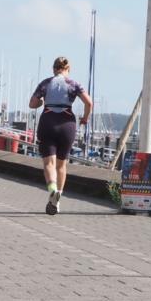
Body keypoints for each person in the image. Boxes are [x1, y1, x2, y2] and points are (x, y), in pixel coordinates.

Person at [29, 56, 93, 215]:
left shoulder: (45, 83)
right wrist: (85, 118)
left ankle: (52, 189)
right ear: (68, 69)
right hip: (67, 124)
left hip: (48, 121)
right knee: (61, 165)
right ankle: (57, 200)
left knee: (49, 164)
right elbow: (89, 103)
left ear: (53, 69)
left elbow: (32, 104)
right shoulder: (74, 84)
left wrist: (41, 102)